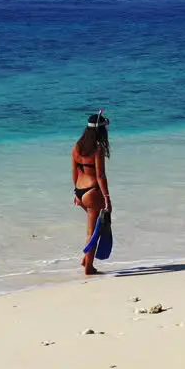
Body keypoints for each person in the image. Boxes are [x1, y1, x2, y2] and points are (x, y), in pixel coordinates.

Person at [71, 111, 112, 275]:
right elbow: (101, 176)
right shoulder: (98, 150)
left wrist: (76, 192)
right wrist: (107, 199)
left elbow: (74, 172)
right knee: (93, 231)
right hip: (93, 192)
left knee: (98, 226)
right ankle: (89, 268)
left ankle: (85, 260)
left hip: (81, 191)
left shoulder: (77, 147)